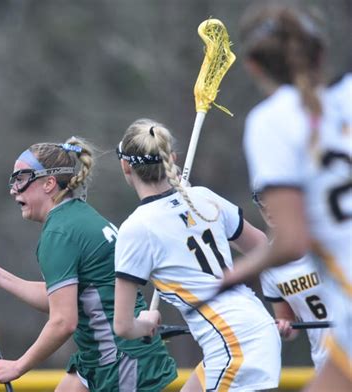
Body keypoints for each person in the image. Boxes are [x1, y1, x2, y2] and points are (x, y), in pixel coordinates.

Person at [0, 137, 177, 391]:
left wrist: (19, 366)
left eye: (21, 179)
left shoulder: (60, 233)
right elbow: (62, 299)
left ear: (49, 183)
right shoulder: (81, 217)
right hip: (104, 356)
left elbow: (64, 321)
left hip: (120, 361)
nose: (13, 189)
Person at [220, 4, 351, 390]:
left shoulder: (270, 121)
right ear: (320, 53)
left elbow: (291, 241)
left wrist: (231, 277)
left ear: (254, 67)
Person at [112, 118, 281, 392]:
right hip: (254, 325)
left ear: (125, 166)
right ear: (172, 158)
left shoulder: (135, 228)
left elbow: (122, 325)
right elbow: (261, 245)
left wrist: (145, 323)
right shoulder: (203, 197)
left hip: (233, 343)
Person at [253, 188, 330, 370]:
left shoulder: (330, 238)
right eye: (261, 199)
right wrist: (285, 328)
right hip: (326, 364)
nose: (268, 207)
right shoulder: (270, 264)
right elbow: (288, 321)